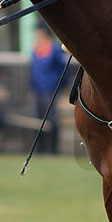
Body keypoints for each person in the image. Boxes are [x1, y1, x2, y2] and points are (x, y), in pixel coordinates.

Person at [29, 24, 70, 153]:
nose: (37, 35)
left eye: (39, 32)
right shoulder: (36, 50)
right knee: (38, 118)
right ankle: (40, 149)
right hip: (38, 89)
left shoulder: (54, 49)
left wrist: (61, 85)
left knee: (51, 118)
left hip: (51, 89)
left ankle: (53, 149)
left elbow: (64, 69)